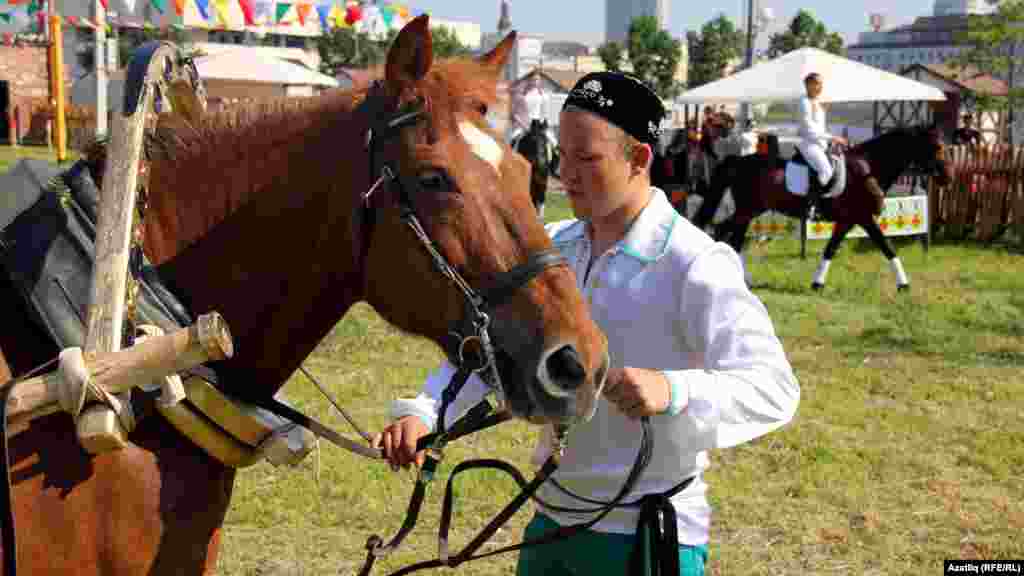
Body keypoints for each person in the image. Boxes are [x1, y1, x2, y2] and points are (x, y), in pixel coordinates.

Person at [375, 71, 800, 576]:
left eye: (587, 158)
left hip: (646, 539)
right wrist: (427, 414)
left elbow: (774, 388)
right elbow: (486, 347)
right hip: (550, 525)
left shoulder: (694, 263)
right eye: (563, 155)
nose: (566, 174)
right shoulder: (550, 248)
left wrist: (673, 390)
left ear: (639, 159)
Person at [797, 72, 848, 219]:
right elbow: (809, 129)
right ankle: (810, 206)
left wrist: (830, 140)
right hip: (808, 143)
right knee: (825, 171)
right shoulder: (804, 102)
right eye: (817, 83)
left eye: (821, 83)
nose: (820, 87)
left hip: (820, 143)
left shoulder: (817, 102)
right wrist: (833, 137)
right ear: (808, 85)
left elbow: (820, 127)